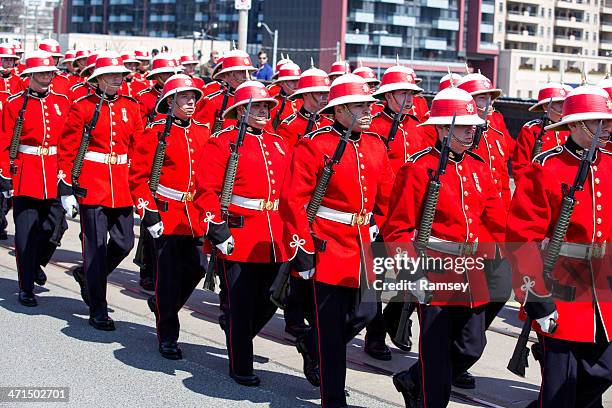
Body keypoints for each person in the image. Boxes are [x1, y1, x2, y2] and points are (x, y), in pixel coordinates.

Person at [386, 86, 506, 408]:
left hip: (472, 271)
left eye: (473, 126)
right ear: (442, 127)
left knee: (471, 346)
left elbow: (494, 221)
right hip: (435, 269)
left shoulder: (478, 166)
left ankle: (412, 378)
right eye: (464, 126)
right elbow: (398, 229)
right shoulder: (418, 167)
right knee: (436, 353)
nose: (472, 132)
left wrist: (499, 261)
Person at [280, 73, 394, 407]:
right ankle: (332, 396)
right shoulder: (316, 144)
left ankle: (311, 345)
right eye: (360, 105)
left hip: (363, 244)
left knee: (366, 312)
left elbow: (387, 197)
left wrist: (379, 225)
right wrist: (302, 245)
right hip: (328, 243)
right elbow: (292, 200)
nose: (369, 110)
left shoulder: (374, 144)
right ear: (341, 109)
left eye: (369, 104)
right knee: (331, 326)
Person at [506, 84, 612, 408]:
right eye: (600, 122)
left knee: (603, 370)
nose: (608, 127)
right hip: (561, 286)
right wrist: (536, 295)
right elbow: (522, 238)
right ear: (578, 124)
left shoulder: (609, 162)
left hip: (603, 285)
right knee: (559, 389)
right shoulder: (546, 166)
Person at [194, 80, 290, 386]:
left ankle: (238, 333)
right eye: (257, 106)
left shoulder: (278, 143)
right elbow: (206, 189)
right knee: (241, 300)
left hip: (274, 233)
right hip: (240, 230)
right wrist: (217, 228)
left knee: (273, 297)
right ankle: (241, 363)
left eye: (266, 107)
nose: (263, 111)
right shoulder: (222, 142)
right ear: (240, 110)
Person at [57, 51, 143, 331]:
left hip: (121, 183)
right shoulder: (83, 106)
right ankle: (98, 308)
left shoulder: (132, 106)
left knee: (124, 243)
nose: (119, 79)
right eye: (112, 76)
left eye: (121, 75)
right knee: (95, 248)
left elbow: (138, 148)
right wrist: (67, 186)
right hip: (92, 184)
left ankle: (87, 275)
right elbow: (68, 149)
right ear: (98, 79)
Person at [129, 74, 210, 359]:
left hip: (196, 216)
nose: (191, 103)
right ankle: (168, 335)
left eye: (194, 98)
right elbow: (139, 178)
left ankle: (165, 304)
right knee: (167, 278)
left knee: (198, 268)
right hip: (167, 212)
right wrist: (148, 212)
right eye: (185, 98)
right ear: (170, 101)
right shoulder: (154, 133)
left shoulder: (203, 132)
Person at [364, 64, 436, 361]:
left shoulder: (418, 125)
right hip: (381, 210)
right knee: (380, 279)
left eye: (411, 93)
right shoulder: (376, 125)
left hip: (411, 210)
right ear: (388, 95)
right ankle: (375, 335)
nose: (408, 98)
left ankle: (395, 319)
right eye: (402, 93)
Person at [0, 51, 70, 307]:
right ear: (29, 76)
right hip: (25, 172)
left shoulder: (62, 102)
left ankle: (37, 261)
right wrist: (5, 175)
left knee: (56, 226)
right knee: (25, 233)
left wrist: (67, 177)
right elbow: (4, 141)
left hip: (53, 171)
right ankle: (26, 285)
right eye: (40, 72)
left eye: (49, 72)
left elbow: (67, 141)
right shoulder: (15, 103)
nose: (46, 76)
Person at [512, 81, 572, 181]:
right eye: (558, 102)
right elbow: (520, 167)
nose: (563, 105)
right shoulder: (532, 129)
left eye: (564, 102)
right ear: (545, 106)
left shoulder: (569, 129)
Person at [193, 49, 255, 131]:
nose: (247, 76)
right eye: (241, 71)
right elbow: (201, 134)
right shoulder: (213, 101)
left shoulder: (256, 101)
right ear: (226, 75)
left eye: (249, 72)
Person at [269, 62, 301, 130]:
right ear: (282, 83)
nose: (296, 84)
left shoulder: (303, 101)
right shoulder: (274, 104)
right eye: (292, 81)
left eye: (298, 80)